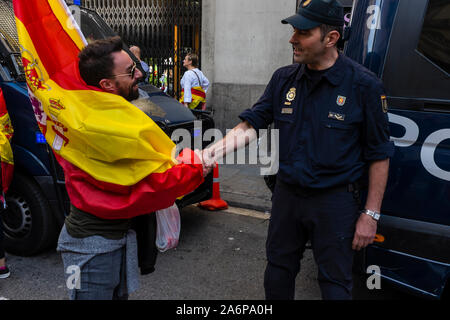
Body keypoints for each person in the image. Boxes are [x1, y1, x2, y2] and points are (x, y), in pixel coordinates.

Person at [202, 0, 394, 300]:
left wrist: (370, 215)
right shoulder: (283, 78)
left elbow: (379, 154)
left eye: (302, 32)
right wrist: (208, 155)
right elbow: (251, 123)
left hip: (336, 202)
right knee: (278, 272)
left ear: (330, 38)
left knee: (335, 284)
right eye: (294, 30)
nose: (293, 38)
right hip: (287, 198)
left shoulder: (364, 86)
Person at [56, 36, 206, 300]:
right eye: (130, 71)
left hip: (113, 239)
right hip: (89, 249)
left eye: (136, 65)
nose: (139, 73)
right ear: (107, 84)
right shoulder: (100, 126)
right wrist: (193, 168)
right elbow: (142, 188)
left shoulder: (97, 110)